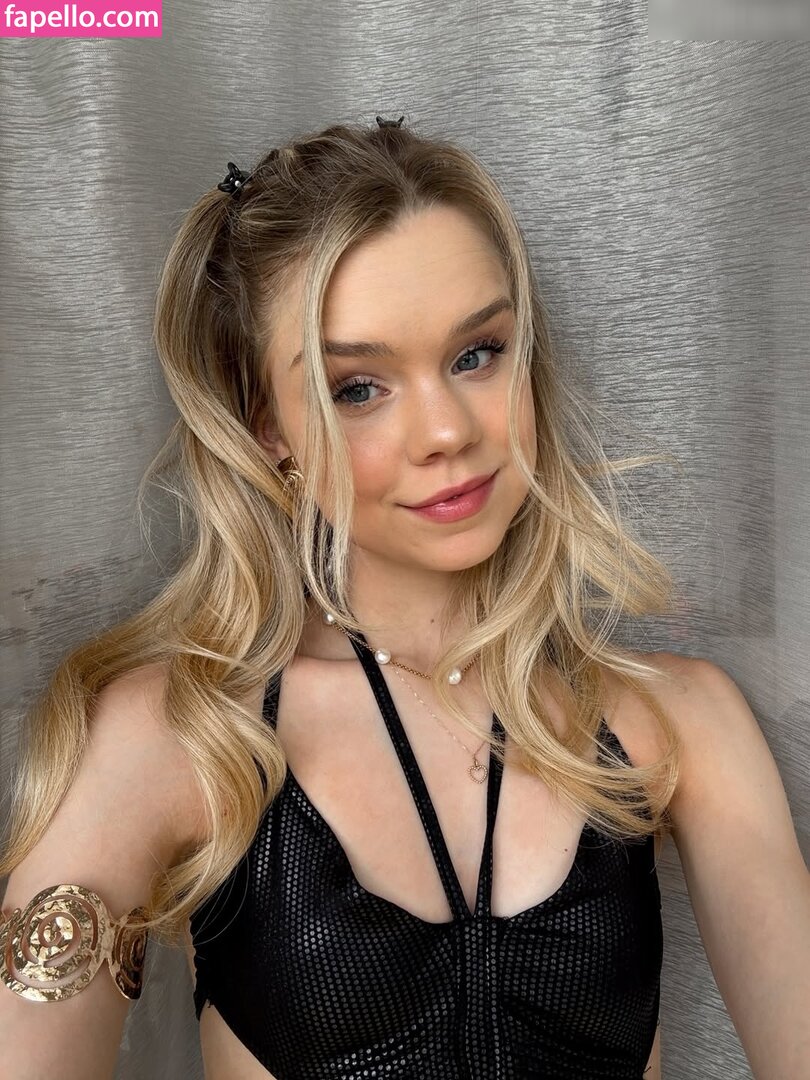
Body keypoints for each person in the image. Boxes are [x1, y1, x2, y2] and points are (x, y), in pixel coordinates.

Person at [1, 116, 807, 1080]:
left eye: (478, 354)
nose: (447, 432)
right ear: (267, 428)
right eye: (358, 387)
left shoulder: (682, 726)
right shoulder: (175, 737)